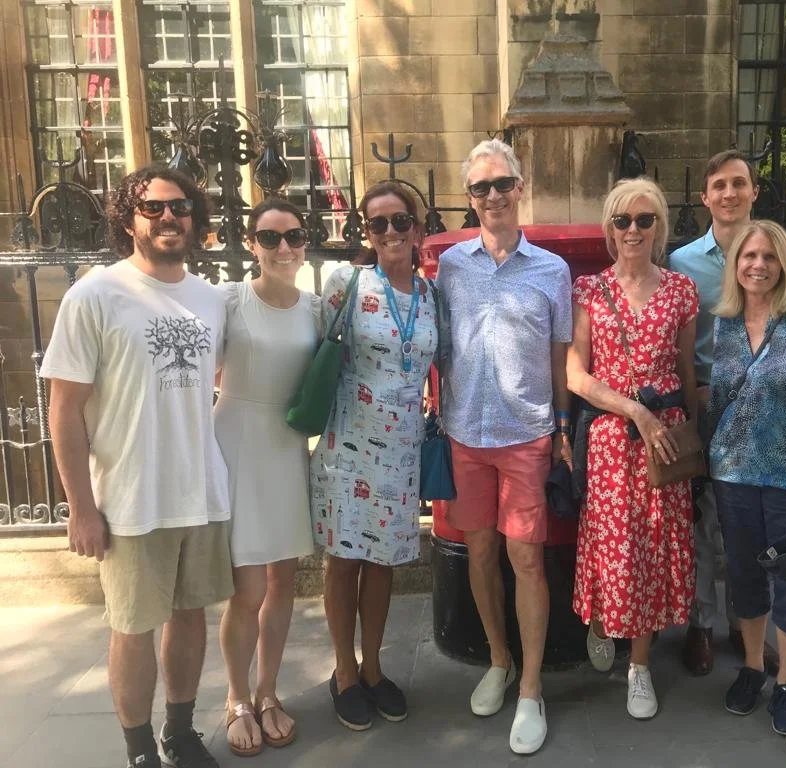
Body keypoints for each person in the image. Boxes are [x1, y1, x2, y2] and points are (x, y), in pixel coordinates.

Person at [42, 166, 231, 768]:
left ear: (194, 218)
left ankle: (180, 732)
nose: (167, 217)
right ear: (129, 219)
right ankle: (139, 751)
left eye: (178, 207)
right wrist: (80, 507)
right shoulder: (95, 295)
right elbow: (63, 410)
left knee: (190, 615)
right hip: (128, 498)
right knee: (132, 627)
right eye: (152, 208)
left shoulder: (210, 299)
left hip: (200, 492)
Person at [436, 139, 572, 754]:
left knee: (526, 559)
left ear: (520, 189)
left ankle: (532, 689)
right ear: (471, 199)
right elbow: (438, 346)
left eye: (502, 185)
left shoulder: (551, 271)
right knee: (482, 552)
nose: (492, 196)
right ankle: (498, 658)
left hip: (525, 435)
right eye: (480, 188)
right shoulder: (452, 267)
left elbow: (559, 355)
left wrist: (563, 428)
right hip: (465, 433)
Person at [566, 177, 698, 719]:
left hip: (665, 439)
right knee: (612, 540)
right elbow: (575, 372)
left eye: (645, 220)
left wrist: (695, 434)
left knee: (652, 545)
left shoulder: (682, 291)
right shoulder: (589, 291)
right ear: (610, 229)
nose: (633, 230)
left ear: (659, 226)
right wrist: (634, 410)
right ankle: (602, 619)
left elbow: (687, 372)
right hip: (611, 436)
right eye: (622, 220)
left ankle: (639, 665)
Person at [311, 181, 440, 732]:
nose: (390, 232)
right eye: (377, 223)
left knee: (385, 561)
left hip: (402, 452)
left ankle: (374, 666)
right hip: (349, 447)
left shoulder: (433, 295)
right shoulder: (347, 283)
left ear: (417, 227)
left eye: (399, 221)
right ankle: (343, 671)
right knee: (344, 561)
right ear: (366, 232)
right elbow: (312, 348)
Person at [667, 149, 786, 676]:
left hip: (762, 406)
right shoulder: (683, 262)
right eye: (719, 185)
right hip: (706, 399)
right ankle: (700, 622)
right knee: (702, 520)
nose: (730, 193)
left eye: (739, 183)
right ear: (706, 196)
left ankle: (745, 623)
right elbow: (677, 339)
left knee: (749, 524)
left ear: (753, 191)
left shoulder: (776, 254)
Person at [706, 220, 786, 736]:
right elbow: (715, 399)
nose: (757, 265)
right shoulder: (726, 323)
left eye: (768, 257)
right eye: (748, 256)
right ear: (736, 266)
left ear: (784, 265)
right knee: (745, 576)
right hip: (731, 474)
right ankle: (754, 667)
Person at [215, 199, 317, 756]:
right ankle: (235, 698)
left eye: (294, 237)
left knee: (283, 581)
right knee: (247, 588)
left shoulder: (318, 308)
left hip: (286, 445)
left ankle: (268, 690)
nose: (283, 248)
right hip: (237, 442)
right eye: (270, 237)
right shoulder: (228, 301)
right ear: (252, 243)